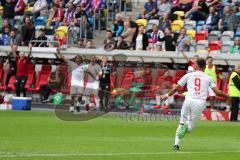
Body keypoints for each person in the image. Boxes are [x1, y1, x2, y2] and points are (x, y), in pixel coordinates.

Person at [160, 58, 231, 150]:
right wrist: (228, 97)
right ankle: (187, 127)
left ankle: (176, 145)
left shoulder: (188, 75)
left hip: (188, 100)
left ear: (196, 66)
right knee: (190, 128)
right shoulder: (208, 78)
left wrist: (166, 95)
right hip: (199, 103)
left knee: (181, 122)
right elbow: (217, 92)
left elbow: (176, 88)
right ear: (205, 67)